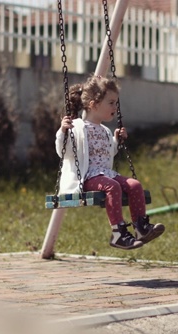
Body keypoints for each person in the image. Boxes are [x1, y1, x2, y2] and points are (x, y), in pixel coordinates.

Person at [55, 75, 165, 250]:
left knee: (135, 185)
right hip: (87, 176)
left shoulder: (106, 130)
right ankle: (118, 234)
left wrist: (116, 141)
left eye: (116, 102)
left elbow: (107, 155)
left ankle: (141, 227)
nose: (116, 107)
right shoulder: (77, 127)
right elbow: (64, 151)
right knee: (112, 186)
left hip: (105, 174)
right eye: (111, 102)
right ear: (94, 104)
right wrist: (62, 131)